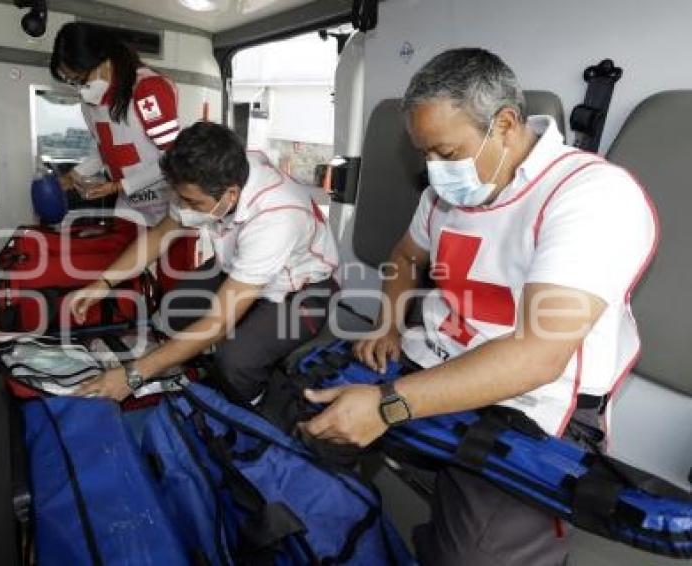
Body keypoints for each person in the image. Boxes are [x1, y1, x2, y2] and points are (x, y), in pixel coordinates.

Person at [301, 48, 659, 565]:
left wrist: (386, 405)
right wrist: (387, 324)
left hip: (533, 405)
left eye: (445, 152)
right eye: (424, 154)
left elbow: (538, 356)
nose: (434, 170)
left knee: (469, 556)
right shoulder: (443, 198)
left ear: (506, 125)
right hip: (433, 362)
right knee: (310, 424)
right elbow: (403, 257)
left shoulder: (590, 196)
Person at [69, 121, 340, 405]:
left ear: (231, 194)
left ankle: (252, 410)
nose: (183, 209)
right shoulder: (212, 175)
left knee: (236, 360)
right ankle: (195, 364)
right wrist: (102, 283)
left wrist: (133, 375)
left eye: (192, 203)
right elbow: (160, 235)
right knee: (174, 308)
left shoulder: (277, 216)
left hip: (304, 287)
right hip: (241, 263)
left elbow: (217, 322)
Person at [50, 22, 194, 289]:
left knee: (177, 286)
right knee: (117, 274)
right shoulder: (90, 102)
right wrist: (75, 175)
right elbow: (106, 149)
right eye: (71, 81)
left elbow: (175, 158)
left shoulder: (149, 89)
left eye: (80, 78)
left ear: (104, 59)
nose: (79, 87)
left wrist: (119, 185)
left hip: (172, 202)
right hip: (132, 205)